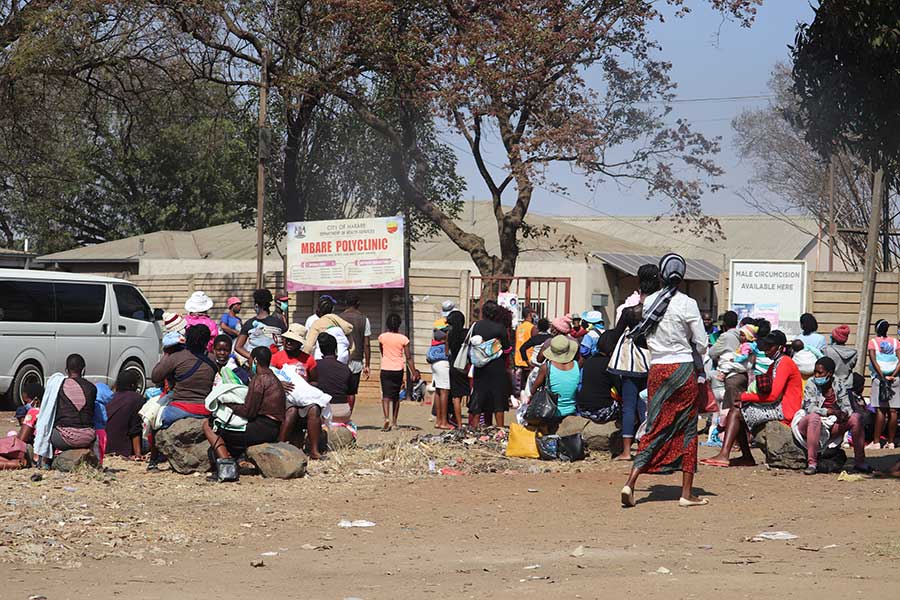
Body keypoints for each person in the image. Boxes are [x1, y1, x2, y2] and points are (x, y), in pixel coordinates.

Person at [621, 253, 708, 508]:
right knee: (688, 429)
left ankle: (631, 482)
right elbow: (702, 343)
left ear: (661, 274)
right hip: (682, 369)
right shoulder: (687, 303)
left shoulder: (649, 303)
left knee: (655, 424)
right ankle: (687, 494)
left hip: (657, 369)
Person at [702, 330, 802, 468]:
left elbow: (773, 395)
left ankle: (725, 455)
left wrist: (744, 396)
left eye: (770, 346)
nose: (766, 350)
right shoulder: (777, 363)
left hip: (785, 410)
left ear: (780, 347)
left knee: (736, 412)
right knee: (738, 410)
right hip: (779, 405)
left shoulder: (785, 363)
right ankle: (744, 456)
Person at [204, 346, 285, 481]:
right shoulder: (273, 377)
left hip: (262, 429)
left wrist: (229, 404)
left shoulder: (259, 379)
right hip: (273, 428)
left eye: (250, 359)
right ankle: (232, 460)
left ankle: (226, 468)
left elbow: (248, 412)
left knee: (209, 425)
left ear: (255, 361)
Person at [609, 263, 659, 461]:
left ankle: (627, 451)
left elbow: (615, 335)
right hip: (655, 361)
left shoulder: (629, 312)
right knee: (653, 405)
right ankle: (650, 449)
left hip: (630, 363)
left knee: (629, 406)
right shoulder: (660, 313)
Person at [148, 325, 217, 470]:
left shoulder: (177, 357)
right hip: (205, 409)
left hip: (179, 409)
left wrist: (166, 356)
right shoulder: (212, 359)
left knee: (153, 421)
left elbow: (155, 376)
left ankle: (153, 460)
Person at [795, 357, 871, 475]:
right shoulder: (811, 383)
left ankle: (860, 462)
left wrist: (844, 414)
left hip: (831, 425)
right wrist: (830, 411)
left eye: (820, 373)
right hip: (810, 424)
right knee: (814, 418)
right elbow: (810, 408)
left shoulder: (839, 384)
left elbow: (847, 406)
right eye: (815, 372)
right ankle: (812, 463)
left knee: (856, 418)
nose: (816, 375)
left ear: (829, 374)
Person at [469, 300, 512, 428]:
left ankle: (475, 428)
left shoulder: (476, 326)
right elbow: (507, 348)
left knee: (479, 395)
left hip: (480, 367)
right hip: (496, 367)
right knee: (497, 397)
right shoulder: (500, 328)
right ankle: (499, 428)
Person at [378, 313, 419, 431]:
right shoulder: (403, 339)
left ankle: (386, 418)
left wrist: (387, 358)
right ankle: (394, 422)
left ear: (387, 324)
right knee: (395, 396)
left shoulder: (382, 337)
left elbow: (382, 350)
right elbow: (408, 357)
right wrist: (413, 372)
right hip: (397, 369)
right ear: (399, 325)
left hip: (385, 368)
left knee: (386, 395)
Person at [50, 354, 98, 453]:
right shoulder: (92, 388)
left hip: (63, 439)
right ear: (83, 370)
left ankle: (46, 463)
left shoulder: (58, 386)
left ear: (66, 370)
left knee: (46, 431)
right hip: (88, 438)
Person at [867, 319, 899, 450]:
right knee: (893, 410)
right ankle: (891, 442)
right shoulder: (896, 342)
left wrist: (882, 376)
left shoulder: (873, 342)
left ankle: (876, 442)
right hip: (895, 378)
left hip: (880, 379)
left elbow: (873, 360)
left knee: (881, 409)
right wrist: (893, 375)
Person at [531, 335, 580, 420]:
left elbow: (533, 390)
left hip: (551, 412)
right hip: (573, 411)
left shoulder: (546, 367)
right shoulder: (576, 365)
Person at [574, 331, 620, 423]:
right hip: (600, 412)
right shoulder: (610, 365)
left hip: (583, 409)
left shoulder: (589, 361)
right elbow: (620, 388)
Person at [235, 289, 287, 361]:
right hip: (275, 363)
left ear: (256, 305)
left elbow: (238, 347)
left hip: (256, 365)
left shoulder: (249, 324)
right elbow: (285, 343)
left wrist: (252, 357)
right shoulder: (278, 323)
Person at [339, 292, 371, 410]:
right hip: (356, 360)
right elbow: (366, 344)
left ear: (346, 303)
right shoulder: (364, 319)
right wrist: (367, 364)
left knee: (340, 390)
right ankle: (348, 416)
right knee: (351, 392)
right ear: (358, 303)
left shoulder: (339, 318)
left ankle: (339, 417)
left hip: (341, 358)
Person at [708, 311, 746, 410]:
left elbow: (712, 353)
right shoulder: (743, 334)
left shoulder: (725, 336)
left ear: (724, 324)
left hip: (730, 376)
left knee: (727, 409)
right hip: (743, 374)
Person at [104, 370, 145, 458]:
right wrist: (138, 454)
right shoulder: (136, 398)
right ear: (133, 385)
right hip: (123, 448)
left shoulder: (111, 397)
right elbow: (135, 428)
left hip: (105, 446)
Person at [314, 332, 353, 424]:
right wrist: (349, 411)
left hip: (322, 411)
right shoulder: (346, 369)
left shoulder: (314, 366)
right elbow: (351, 395)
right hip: (343, 412)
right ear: (336, 349)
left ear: (321, 350)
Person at [304, 296, 353, 364]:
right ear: (332, 309)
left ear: (319, 309)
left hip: (322, 361)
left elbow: (308, 347)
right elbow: (352, 344)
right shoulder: (339, 321)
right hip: (341, 361)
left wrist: (304, 362)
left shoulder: (317, 324)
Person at [445, 309, 469, 427]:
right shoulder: (466, 333)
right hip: (466, 366)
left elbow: (446, 352)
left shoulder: (449, 334)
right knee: (470, 393)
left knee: (456, 397)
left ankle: (459, 424)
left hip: (454, 365)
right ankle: (473, 421)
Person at [429, 321, 453, 429]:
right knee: (444, 392)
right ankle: (444, 422)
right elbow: (448, 351)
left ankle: (438, 421)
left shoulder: (436, 332)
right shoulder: (447, 333)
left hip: (435, 364)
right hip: (443, 364)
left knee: (438, 391)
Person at [823, 324, 857, 391]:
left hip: (831, 386)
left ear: (834, 338)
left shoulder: (827, 351)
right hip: (847, 386)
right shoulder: (853, 353)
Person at [514, 308, 537, 390]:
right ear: (529, 315)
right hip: (529, 360)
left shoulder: (519, 327)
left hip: (519, 359)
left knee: (520, 385)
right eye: (534, 314)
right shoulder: (532, 328)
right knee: (528, 385)